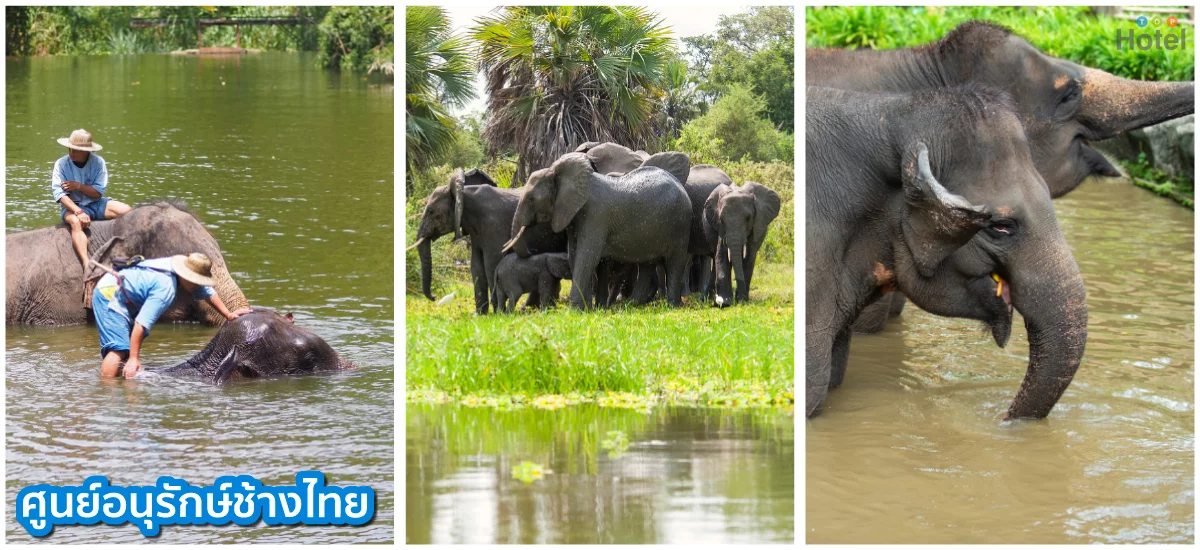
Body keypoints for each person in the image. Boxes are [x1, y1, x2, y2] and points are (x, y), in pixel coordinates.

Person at [93, 253, 251, 379]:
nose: (197, 285)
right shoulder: (165, 289)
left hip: (124, 293)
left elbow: (206, 292)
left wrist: (228, 314)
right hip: (110, 294)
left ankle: (123, 378)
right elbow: (141, 324)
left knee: (126, 350)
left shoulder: (181, 266)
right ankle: (107, 393)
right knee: (119, 349)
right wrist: (135, 358)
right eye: (196, 281)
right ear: (186, 276)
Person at [51, 129, 132, 271]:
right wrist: (78, 211)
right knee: (76, 223)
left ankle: (130, 251)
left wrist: (78, 186)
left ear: (86, 151)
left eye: (75, 150)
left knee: (127, 211)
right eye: (69, 148)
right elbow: (60, 195)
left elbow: (98, 193)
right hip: (72, 206)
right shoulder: (61, 164)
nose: (71, 152)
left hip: (95, 204)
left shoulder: (98, 163)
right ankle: (86, 262)